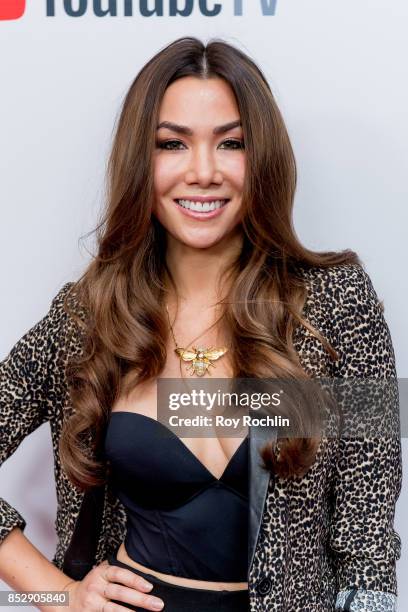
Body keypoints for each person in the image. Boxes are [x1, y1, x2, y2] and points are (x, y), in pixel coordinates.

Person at [0, 36, 402, 612]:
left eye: (231, 142)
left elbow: (367, 530)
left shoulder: (338, 302)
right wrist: (59, 596)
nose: (204, 171)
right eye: (173, 144)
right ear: (143, 159)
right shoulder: (91, 316)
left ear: (261, 157)